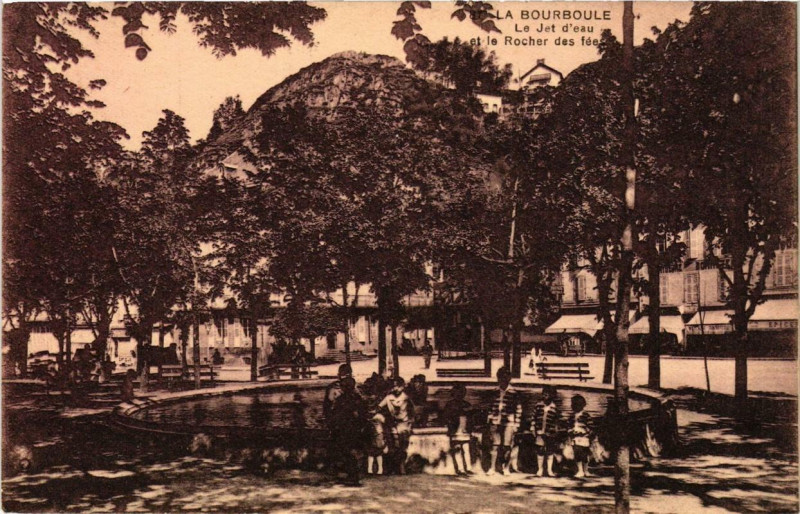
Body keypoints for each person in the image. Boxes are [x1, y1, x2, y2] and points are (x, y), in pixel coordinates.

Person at [329, 376, 367, 485]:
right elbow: (362, 415)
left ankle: (352, 475)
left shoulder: (341, 400)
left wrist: (334, 426)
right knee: (350, 452)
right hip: (355, 430)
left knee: (346, 451)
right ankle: (352, 474)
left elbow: (335, 415)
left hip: (345, 430)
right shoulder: (357, 398)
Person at [486, 366, 522, 476]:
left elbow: (518, 409)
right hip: (496, 421)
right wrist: (490, 418)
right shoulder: (494, 392)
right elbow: (490, 407)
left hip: (509, 423)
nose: (502, 380)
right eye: (500, 378)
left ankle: (506, 467)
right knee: (495, 445)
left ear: (509, 379)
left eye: (505, 378)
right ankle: (492, 467)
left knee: (507, 446)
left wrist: (517, 424)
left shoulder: (514, 393)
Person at [379, 376, 415, 474]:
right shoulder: (388, 397)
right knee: (393, 445)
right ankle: (394, 467)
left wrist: (411, 422)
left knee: (403, 445)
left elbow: (412, 410)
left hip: (404, 423)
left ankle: (402, 466)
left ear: (403, 387)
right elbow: (379, 407)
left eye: (399, 386)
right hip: (393, 424)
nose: (396, 389)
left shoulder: (406, 397)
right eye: (394, 386)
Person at [443, 383, 473, 475]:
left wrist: (470, 429)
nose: (459, 395)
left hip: (464, 430)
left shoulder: (467, 404)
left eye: (461, 393)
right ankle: (461, 469)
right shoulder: (450, 405)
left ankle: (468, 467)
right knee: (458, 449)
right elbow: (446, 417)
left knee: (466, 449)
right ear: (454, 393)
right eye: (457, 393)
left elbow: (471, 418)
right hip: (455, 430)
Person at [533, 385, 561, 477]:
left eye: (547, 394)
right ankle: (540, 469)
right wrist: (533, 427)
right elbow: (534, 417)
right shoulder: (538, 405)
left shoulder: (554, 407)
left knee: (550, 450)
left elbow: (557, 420)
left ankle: (549, 470)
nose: (545, 396)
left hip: (550, 432)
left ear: (552, 396)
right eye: (544, 393)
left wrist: (556, 430)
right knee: (540, 449)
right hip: (540, 431)